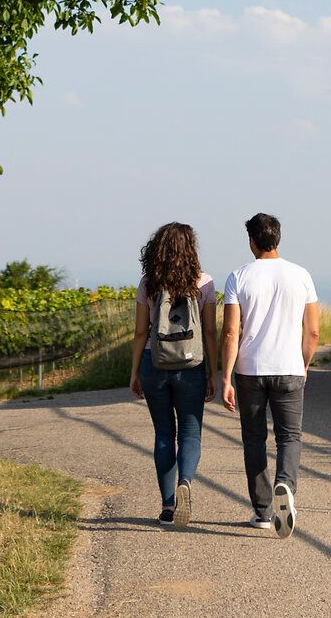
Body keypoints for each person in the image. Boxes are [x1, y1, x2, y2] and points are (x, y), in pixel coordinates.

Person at [219, 212, 320, 538]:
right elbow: (313, 331)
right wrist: (304, 363)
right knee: (290, 436)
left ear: (252, 240)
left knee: (254, 439)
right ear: (277, 238)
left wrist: (225, 377)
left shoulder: (238, 277)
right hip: (289, 368)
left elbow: (231, 332)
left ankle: (263, 512)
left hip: (250, 370)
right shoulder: (301, 275)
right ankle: (285, 486)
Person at [129, 221, 220, 527]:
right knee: (190, 433)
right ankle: (187, 482)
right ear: (190, 249)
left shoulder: (148, 283)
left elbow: (141, 332)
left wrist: (134, 372)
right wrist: (213, 373)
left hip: (154, 364)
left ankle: (168, 507)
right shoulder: (204, 283)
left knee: (164, 434)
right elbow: (209, 331)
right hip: (191, 366)